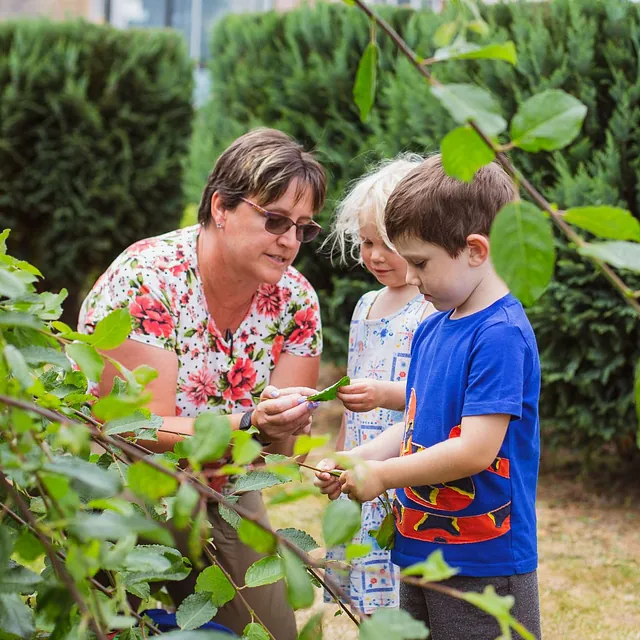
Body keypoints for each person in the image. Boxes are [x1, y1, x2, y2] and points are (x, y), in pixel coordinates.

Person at [78, 128, 327, 639]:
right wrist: (247, 423)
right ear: (221, 207)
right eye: (275, 219)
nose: (289, 241)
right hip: (127, 482)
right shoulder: (148, 279)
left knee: (274, 633)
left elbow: (284, 453)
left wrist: (284, 424)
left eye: (303, 228)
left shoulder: (296, 301)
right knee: (111, 623)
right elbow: (131, 430)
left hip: (230, 485)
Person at [315, 155, 542, 640]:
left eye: (420, 262)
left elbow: (475, 449)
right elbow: (419, 421)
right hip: (419, 542)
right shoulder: (435, 327)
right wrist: (357, 458)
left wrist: (380, 475)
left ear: (476, 250)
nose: (411, 278)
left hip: (484, 557)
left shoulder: (499, 336)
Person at [321, 156, 433, 613]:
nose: (375, 256)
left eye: (387, 243)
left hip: (402, 468)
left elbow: (429, 399)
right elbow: (352, 400)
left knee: (401, 594)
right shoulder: (366, 305)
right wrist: (341, 451)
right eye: (366, 242)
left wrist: (383, 394)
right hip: (362, 468)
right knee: (364, 591)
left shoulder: (430, 308)